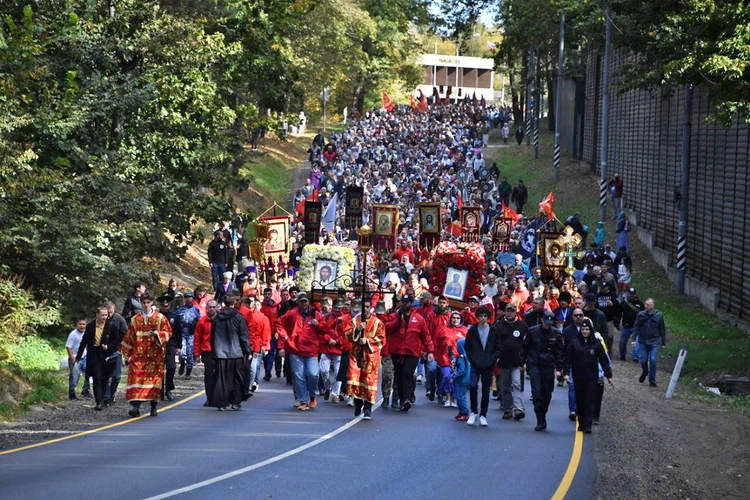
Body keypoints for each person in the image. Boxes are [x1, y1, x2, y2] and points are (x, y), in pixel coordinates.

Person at [276, 292, 331, 411]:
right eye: (301, 301)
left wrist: (318, 325)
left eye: (305, 301)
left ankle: (312, 395)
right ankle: (303, 400)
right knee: (299, 376)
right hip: (295, 349)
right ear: (298, 302)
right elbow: (278, 323)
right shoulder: (291, 314)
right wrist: (285, 337)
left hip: (311, 350)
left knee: (313, 374)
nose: (304, 303)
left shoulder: (316, 315)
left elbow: (326, 329)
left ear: (308, 302)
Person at [119, 294, 172, 417]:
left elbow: (168, 332)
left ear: (152, 303)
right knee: (136, 379)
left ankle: (153, 406)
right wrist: (126, 354)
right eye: (144, 303)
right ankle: (135, 407)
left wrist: (158, 335)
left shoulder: (160, 318)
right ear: (141, 303)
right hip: (139, 356)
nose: (146, 305)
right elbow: (130, 336)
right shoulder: (135, 319)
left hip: (155, 356)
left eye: (148, 302)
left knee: (153, 381)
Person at [385, 295, 435, 413]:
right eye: (403, 302)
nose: (404, 304)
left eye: (407, 302)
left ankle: (406, 399)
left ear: (411, 304)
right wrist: (398, 320)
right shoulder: (394, 316)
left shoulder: (418, 319)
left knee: (407, 374)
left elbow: (426, 335)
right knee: (399, 375)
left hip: (412, 352)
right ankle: (403, 399)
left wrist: (430, 351)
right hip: (396, 351)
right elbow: (387, 328)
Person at [564, 319, 613, 433]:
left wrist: (608, 375)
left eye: (587, 329)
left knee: (590, 400)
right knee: (580, 400)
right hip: (578, 376)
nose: (585, 331)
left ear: (590, 330)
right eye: (583, 329)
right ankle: (581, 423)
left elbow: (603, 360)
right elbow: (568, 359)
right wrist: (565, 373)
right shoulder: (574, 342)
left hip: (591, 376)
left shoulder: (596, 343)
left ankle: (587, 425)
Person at [520, 310, 565, 431]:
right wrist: (521, 363)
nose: (547, 325)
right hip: (534, 364)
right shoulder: (532, 331)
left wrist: (559, 368)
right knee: (536, 392)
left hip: (548, 366)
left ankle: (543, 413)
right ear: (541, 320)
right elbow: (525, 348)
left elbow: (559, 352)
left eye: (550, 323)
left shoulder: (556, 334)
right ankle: (540, 419)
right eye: (546, 322)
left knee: (547, 392)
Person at [343, 299, 386, 419]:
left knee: (369, 381)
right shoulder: (354, 321)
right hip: (356, 354)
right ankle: (357, 403)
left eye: (367, 307)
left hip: (371, 356)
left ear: (370, 307)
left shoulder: (378, 323)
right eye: (363, 307)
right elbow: (346, 333)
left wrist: (367, 341)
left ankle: (368, 408)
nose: (365, 309)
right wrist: (357, 330)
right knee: (354, 378)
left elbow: (381, 339)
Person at [210, 294, 251, 410]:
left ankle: (221, 403)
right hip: (236, 352)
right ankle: (235, 401)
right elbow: (243, 336)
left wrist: (214, 351)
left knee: (221, 378)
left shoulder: (217, 318)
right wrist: (248, 351)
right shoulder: (239, 317)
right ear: (234, 303)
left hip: (220, 353)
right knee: (237, 378)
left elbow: (212, 337)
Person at [76, 306, 120, 411]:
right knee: (97, 378)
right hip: (94, 354)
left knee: (105, 378)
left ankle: (105, 398)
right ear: (97, 315)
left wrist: (108, 346)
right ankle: (98, 401)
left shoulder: (111, 326)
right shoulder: (90, 326)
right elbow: (84, 342)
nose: (105, 317)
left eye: (106, 315)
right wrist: (78, 356)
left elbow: (117, 341)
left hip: (106, 355)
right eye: (102, 315)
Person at [464, 306, 500, 427]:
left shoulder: (494, 330)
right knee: (473, 386)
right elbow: (467, 346)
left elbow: (497, 347)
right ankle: (473, 412)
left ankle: (483, 415)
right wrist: (471, 359)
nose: (483, 318)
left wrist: (493, 359)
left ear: (488, 318)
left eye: (485, 316)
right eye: (481, 316)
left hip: (488, 364)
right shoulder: (473, 330)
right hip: (475, 363)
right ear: (478, 317)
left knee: (486, 390)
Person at [496, 303, 528, 420]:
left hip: (517, 362)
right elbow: (495, 342)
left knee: (517, 384)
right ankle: (507, 409)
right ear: (504, 312)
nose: (510, 313)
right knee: (505, 386)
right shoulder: (498, 326)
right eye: (508, 311)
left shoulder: (522, 326)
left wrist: (524, 360)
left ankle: (519, 409)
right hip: (503, 361)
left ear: (516, 312)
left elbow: (526, 344)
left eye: (512, 311)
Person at [435, 311, 468, 407]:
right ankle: (447, 397)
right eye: (454, 317)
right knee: (447, 377)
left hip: (460, 359)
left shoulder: (465, 330)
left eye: (458, 318)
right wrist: (437, 356)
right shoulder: (443, 330)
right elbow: (437, 343)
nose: (455, 320)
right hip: (445, 358)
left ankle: (454, 398)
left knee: (456, 379)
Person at [632, 298, 666, 387]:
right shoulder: (641, 315)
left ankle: (652, 380)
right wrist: (633, 339)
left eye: (648, 304)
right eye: (645, 304)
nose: (645, 306)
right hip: (643, 341)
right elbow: (636, 327)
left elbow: (662, 329)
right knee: (643, 360)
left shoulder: (659, 316)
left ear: (653, 306)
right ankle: (645, 372)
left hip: (654, 341)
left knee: (653, 360)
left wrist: (663, 342)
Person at [102, 301, 128, 406]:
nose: (108, 316)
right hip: (102, 351)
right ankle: (106, 397)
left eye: (111, 313)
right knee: (104, 376)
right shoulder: (99, 320)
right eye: (107, 313)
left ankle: (112, 393)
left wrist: (124, 351)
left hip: (116, 350)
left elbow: (125, 336)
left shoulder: (119, 320)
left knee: (116, 376)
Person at [194, 300, 218, 406]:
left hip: (219, 351)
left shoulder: (220, 320)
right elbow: (197, 338)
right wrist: (196, 354)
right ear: (207, 308)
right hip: (207, 351)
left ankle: (218, 397)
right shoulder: (202, 321)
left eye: (213, 307)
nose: (212, 309)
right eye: (210, 307)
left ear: (217, 308)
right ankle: (209, 397)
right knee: (209, 375)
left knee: (219, 375)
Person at [156, 295, 179, 402]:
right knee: (159, 369)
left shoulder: (174, 316)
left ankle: (168, 388)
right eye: (163, 306)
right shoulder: (155, 317)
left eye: (167, 305)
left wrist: (179, 346)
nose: (165, 307)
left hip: (171, 344)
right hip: (158, 344)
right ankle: (159, 390)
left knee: (171, 367)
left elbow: (178, 332)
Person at [176, 291, 201, 379]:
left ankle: (188, 372)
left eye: (190, 297)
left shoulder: (196, 310)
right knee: (181, 354)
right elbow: (176, 322)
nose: (188, 299)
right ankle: (182, 364)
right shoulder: (180, 310)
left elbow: (199, 322)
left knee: (190, 354)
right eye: (186, 297)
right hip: (182, 333)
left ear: (193, 298)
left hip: (191, 334)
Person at [619, 288, 645, 361]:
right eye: (630, 294)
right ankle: (622, 354)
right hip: (626, 326)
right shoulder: (624, 303)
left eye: (633, 294)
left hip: (636, 327)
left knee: (636, 343)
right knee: (623, 342)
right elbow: (619, 313)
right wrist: (617, 322)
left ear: (636, 294)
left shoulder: (640, 304)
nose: (632, 295)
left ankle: (635, 356)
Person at [66, 317, 88, 401]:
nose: (82, 326)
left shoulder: (86, 333)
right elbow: (68, 347)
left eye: (83, 324)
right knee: (74, 376)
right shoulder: (73, 334)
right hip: (75, 358)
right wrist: (72, 358)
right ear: (77, 325)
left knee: (88, 373)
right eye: (80, 324)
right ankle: (72, 394)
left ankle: (85, 390)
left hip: (84, 356)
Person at [451, 338, 471, 421]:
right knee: (461, 396)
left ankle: (465, 412)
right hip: (467, 378)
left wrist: (453, 377)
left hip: (462, 379)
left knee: (460, 397)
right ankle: (461, 412)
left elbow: (461, 370)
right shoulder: (468, 356)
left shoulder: (461, 357)